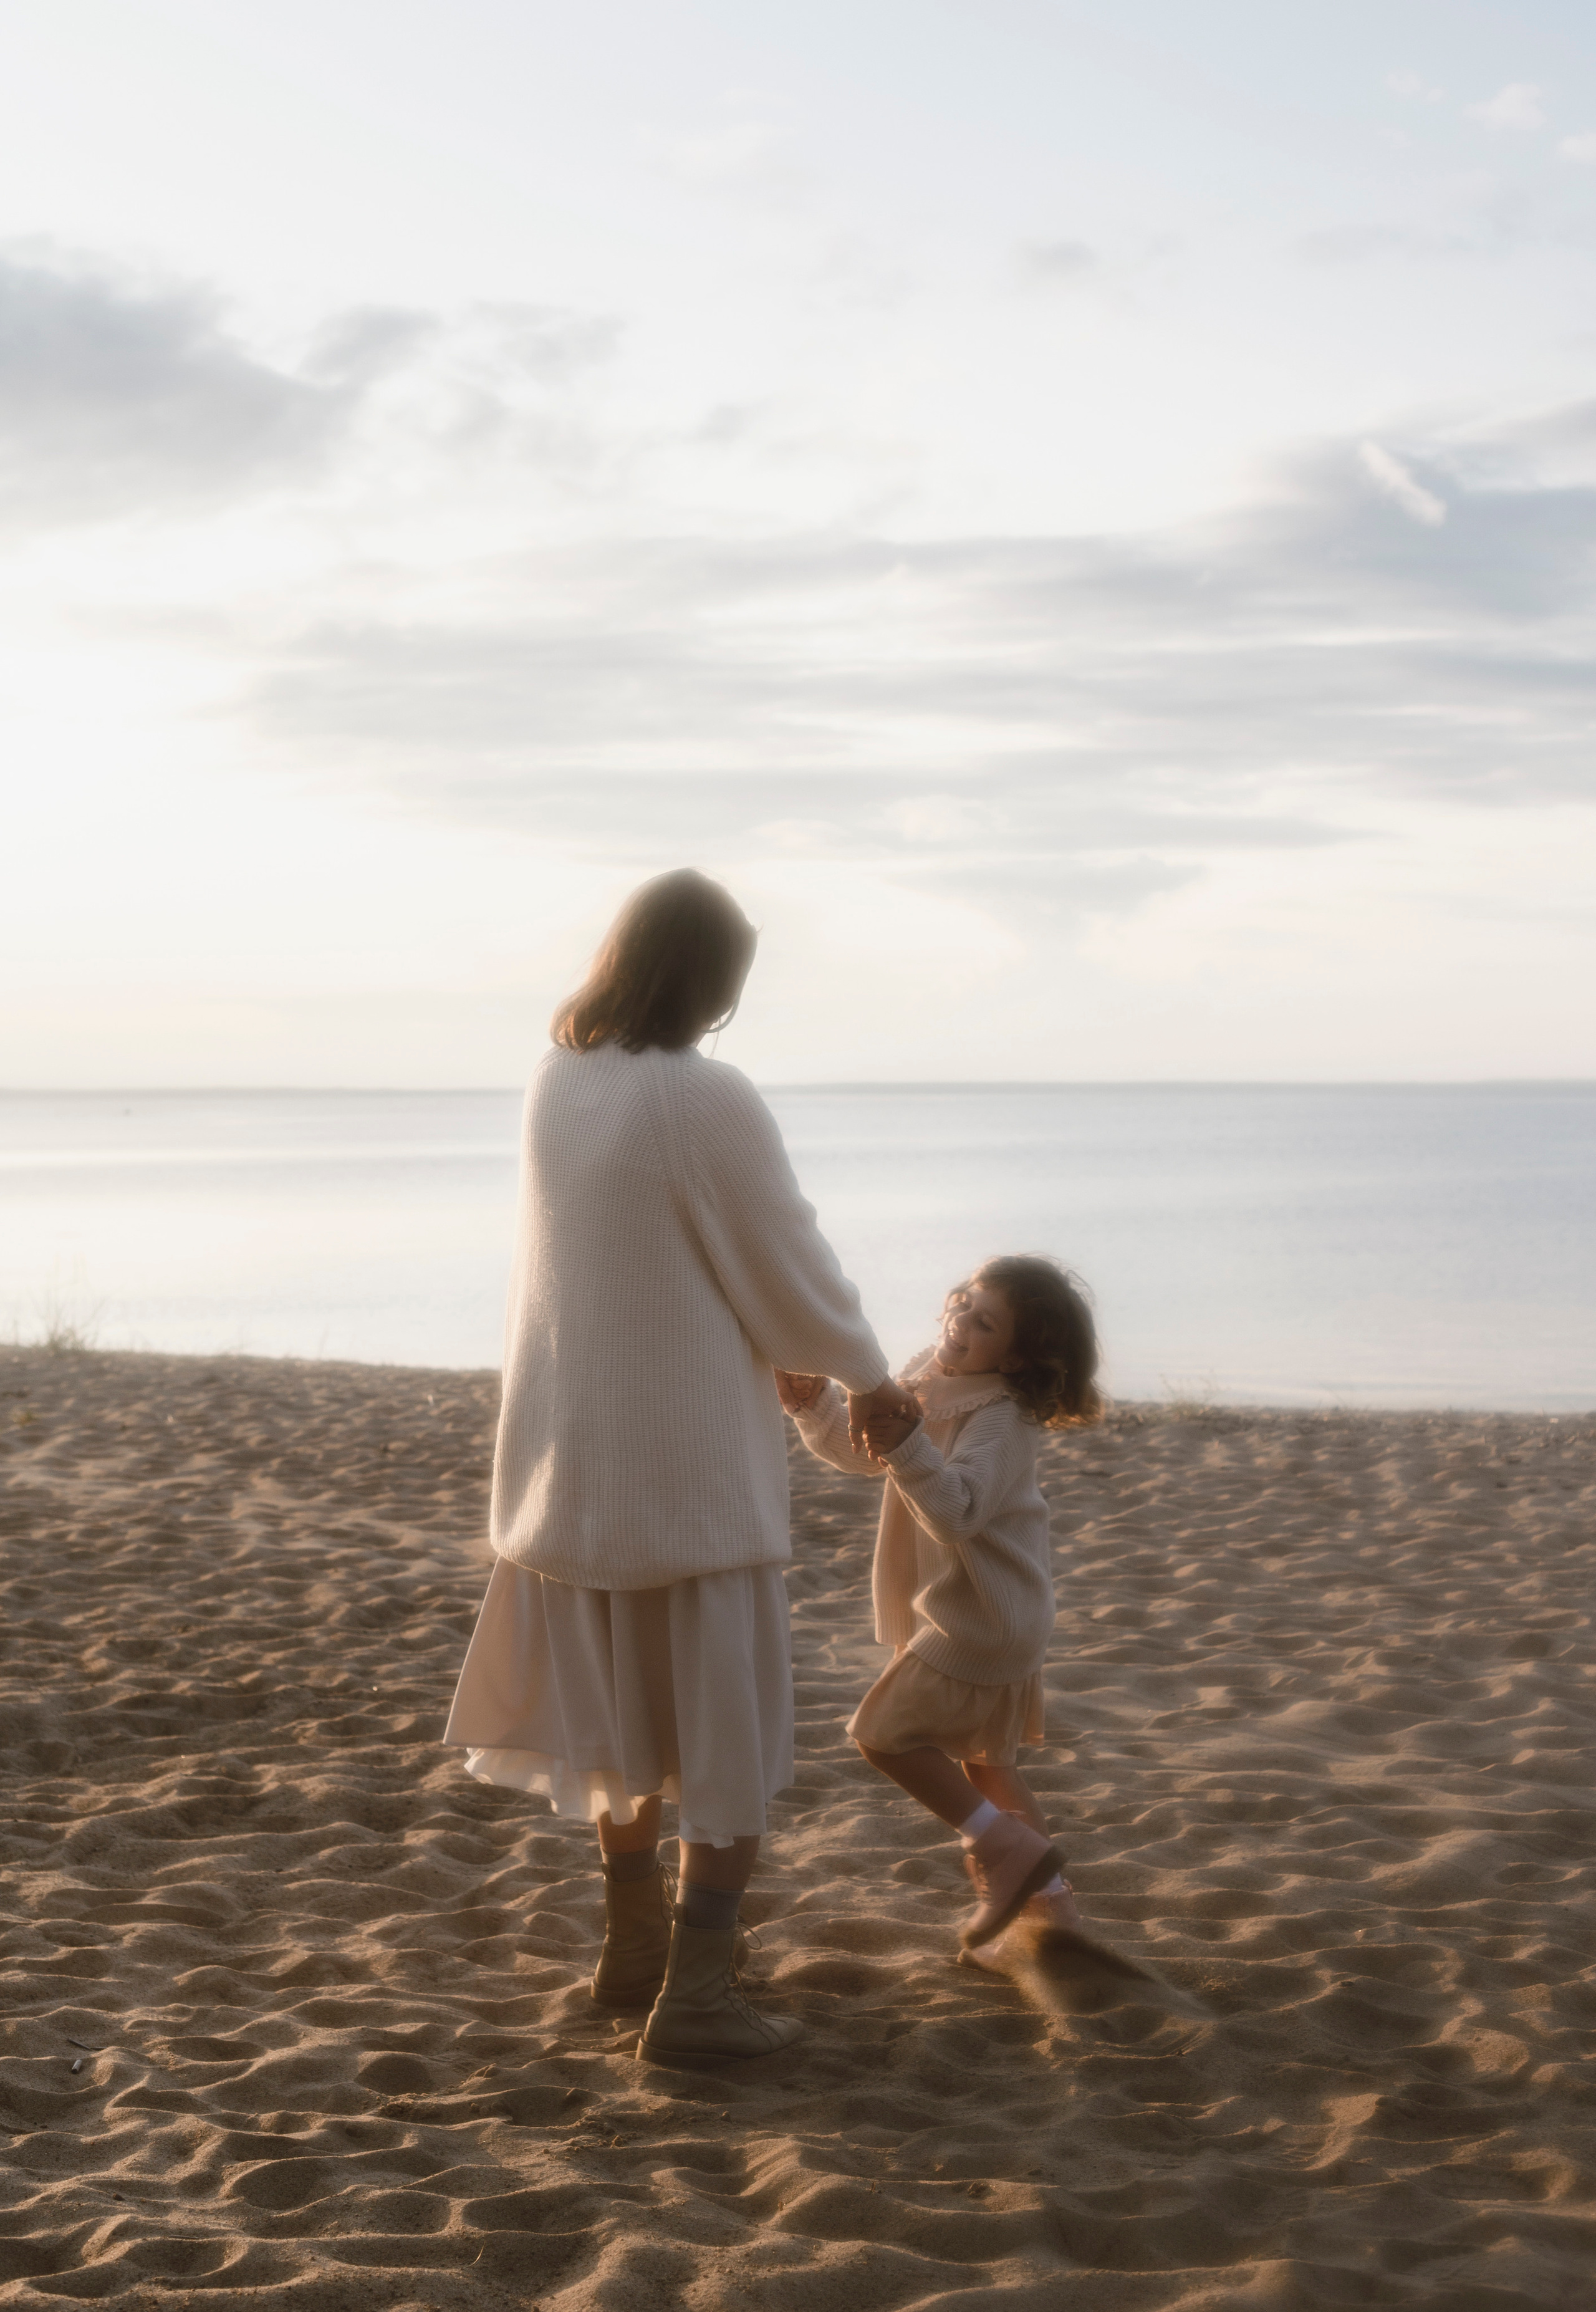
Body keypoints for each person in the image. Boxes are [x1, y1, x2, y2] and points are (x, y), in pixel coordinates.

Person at [443, 869, 916, 2064]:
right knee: (721, 1741)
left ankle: (634, 1947)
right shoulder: (704, 1095)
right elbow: (783, 1251)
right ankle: (698, 1996)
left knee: (622, 1724)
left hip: (576, 1467)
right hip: (688, 1472)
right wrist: (867, 1370)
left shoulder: (556, 1080)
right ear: (707, 980)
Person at [777, 1255, 1101, 1969]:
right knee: (988, 1767)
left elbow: (955, 1512)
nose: (958, 1323)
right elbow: (868, 1454)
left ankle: (1004, 1847)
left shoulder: (1004, 1417)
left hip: (982, 1617)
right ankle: (1056, 1924)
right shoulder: (930, 1372)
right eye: (961, 1304)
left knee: (880, 1736)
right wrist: (815, 1405)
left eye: (983, 1323)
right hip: (977, 1611)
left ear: (1015, 1357)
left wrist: (907, 1445)